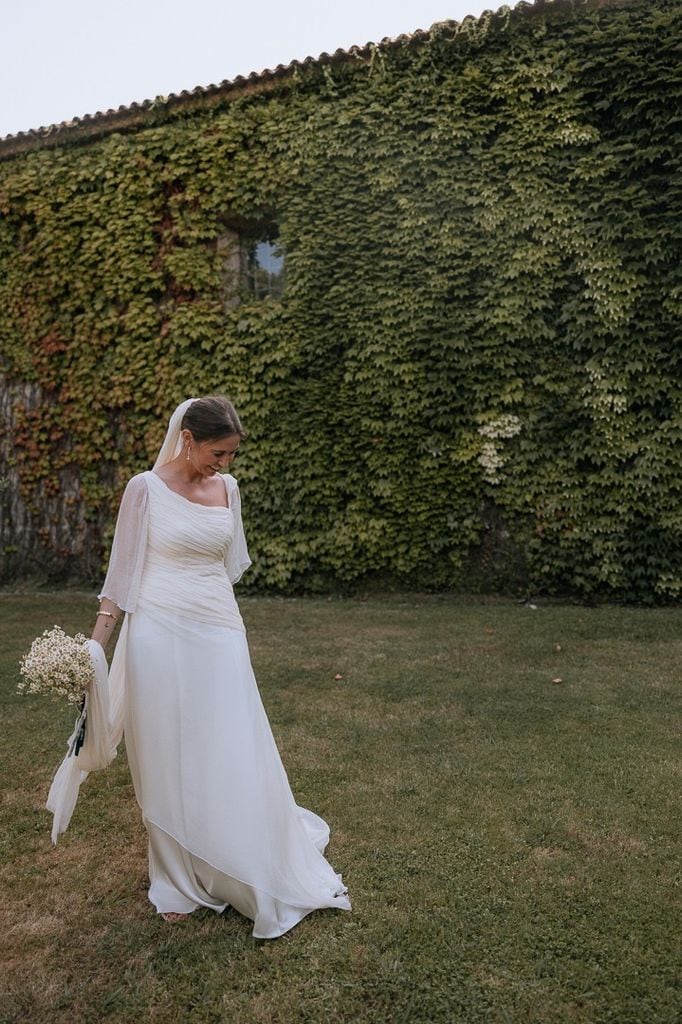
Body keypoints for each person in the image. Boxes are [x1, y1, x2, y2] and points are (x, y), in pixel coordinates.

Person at [91, 395, 351, 938]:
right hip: (158, 634)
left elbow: (225, 566)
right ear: (187, 439)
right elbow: (121, 578)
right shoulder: (144, 489)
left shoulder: (228, 491)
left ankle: (240, 848)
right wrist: (94, 648)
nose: (225, 465)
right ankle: (177, 878)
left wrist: (210, 612)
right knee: (167, 751)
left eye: (231, 455)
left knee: (230, 742)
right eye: (218, 452)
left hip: (218, 628)